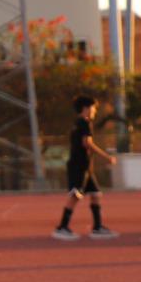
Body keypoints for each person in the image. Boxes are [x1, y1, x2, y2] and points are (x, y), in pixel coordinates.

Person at [52, 94, 116, 240]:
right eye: (93, 108)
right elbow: (87, 143)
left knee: (95, 194)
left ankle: (97, 227)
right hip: (79, 166)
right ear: (86, 108)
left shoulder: (78, 122)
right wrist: (107, 157)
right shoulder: (84, 122)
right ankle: (62, 227)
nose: (95, 111)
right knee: (75, 195)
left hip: (86, 167)